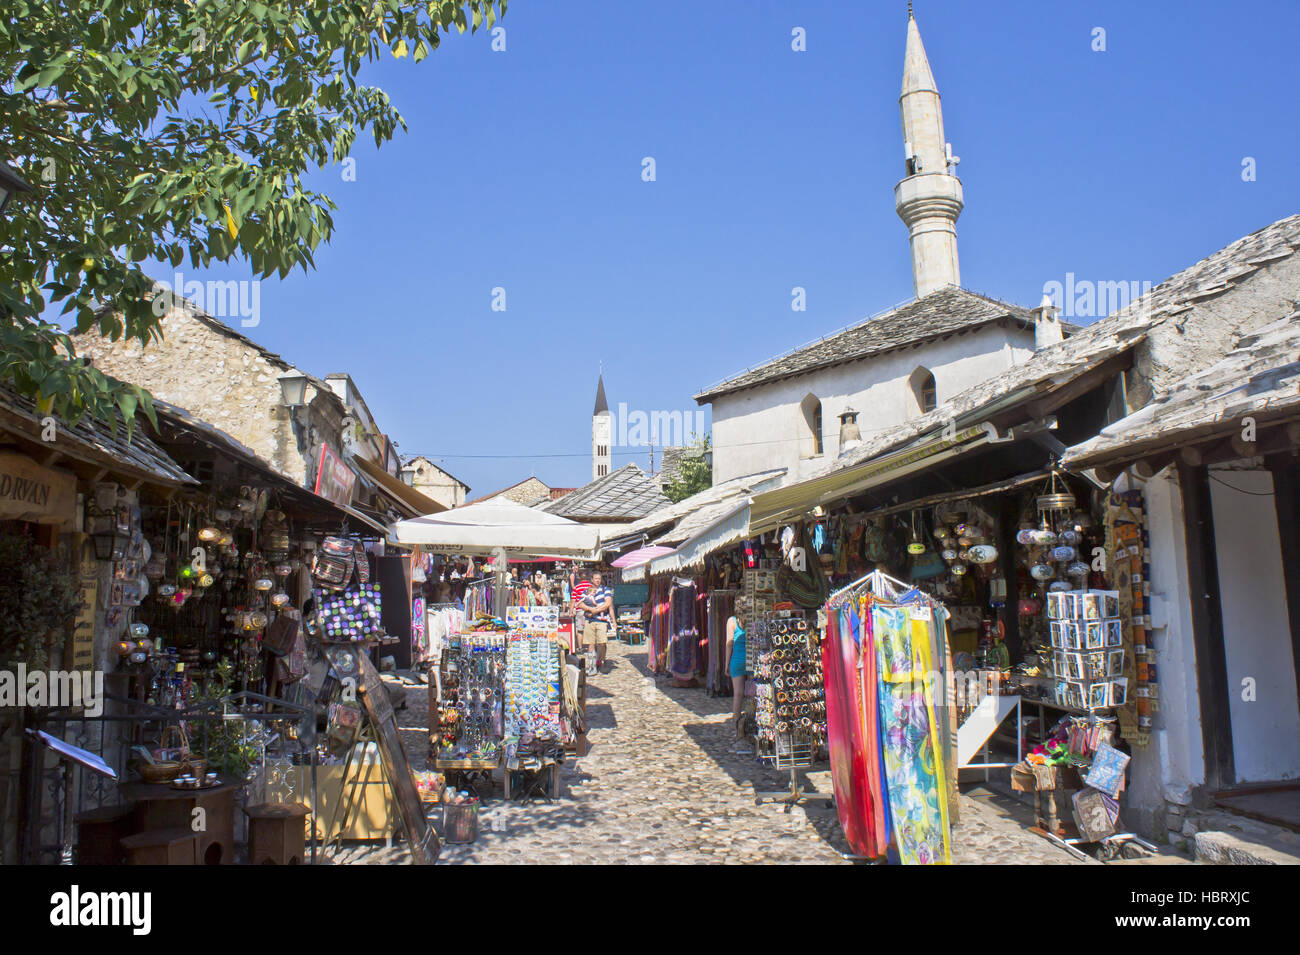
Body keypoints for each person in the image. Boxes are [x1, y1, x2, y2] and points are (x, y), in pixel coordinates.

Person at [726, 595, 752, 743]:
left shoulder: (732, 621)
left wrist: (725, 664)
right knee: (752, 693)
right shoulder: (752, 619)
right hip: (751, 659)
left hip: (737, 660)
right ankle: (752, 721)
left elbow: (729, 644)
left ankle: (737, 725)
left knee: (738, 694)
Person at [579, 571, 613, 673]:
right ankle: (592, 665)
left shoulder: (605, 590)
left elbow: (608, 603)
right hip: (590, 621)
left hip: (601, 620)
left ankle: (600, 660)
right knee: (590, 643)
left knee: (602, 642)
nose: (598, 580)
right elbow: (580, 604)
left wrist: (595, 611)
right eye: (596, 578)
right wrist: (590, 609)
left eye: (599, 578)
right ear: (592, 580)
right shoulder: (587, 591)